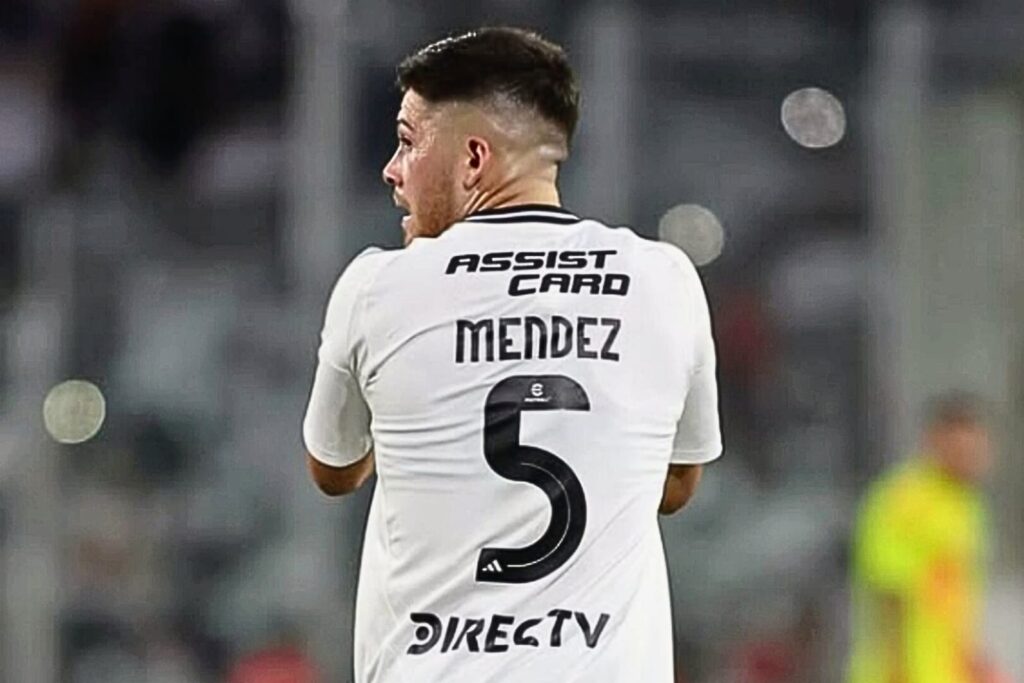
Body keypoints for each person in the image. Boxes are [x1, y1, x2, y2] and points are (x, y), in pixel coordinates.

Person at [301, 27, 721, 683]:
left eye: (408, 141)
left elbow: (333, 468)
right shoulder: (664, 279)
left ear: (473, 159)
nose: (391, 168)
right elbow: (675, 481)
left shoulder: (376, 288)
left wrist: (436, 416)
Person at [848, 391, 1006, 683]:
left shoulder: (966, 506)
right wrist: (897, 670)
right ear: (935, 441)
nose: (972, 458)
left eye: (977, 449)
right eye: (962, 449)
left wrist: (974, 661)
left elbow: (952, 600)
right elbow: (887, 589)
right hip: (902, 673)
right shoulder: (905, 499)